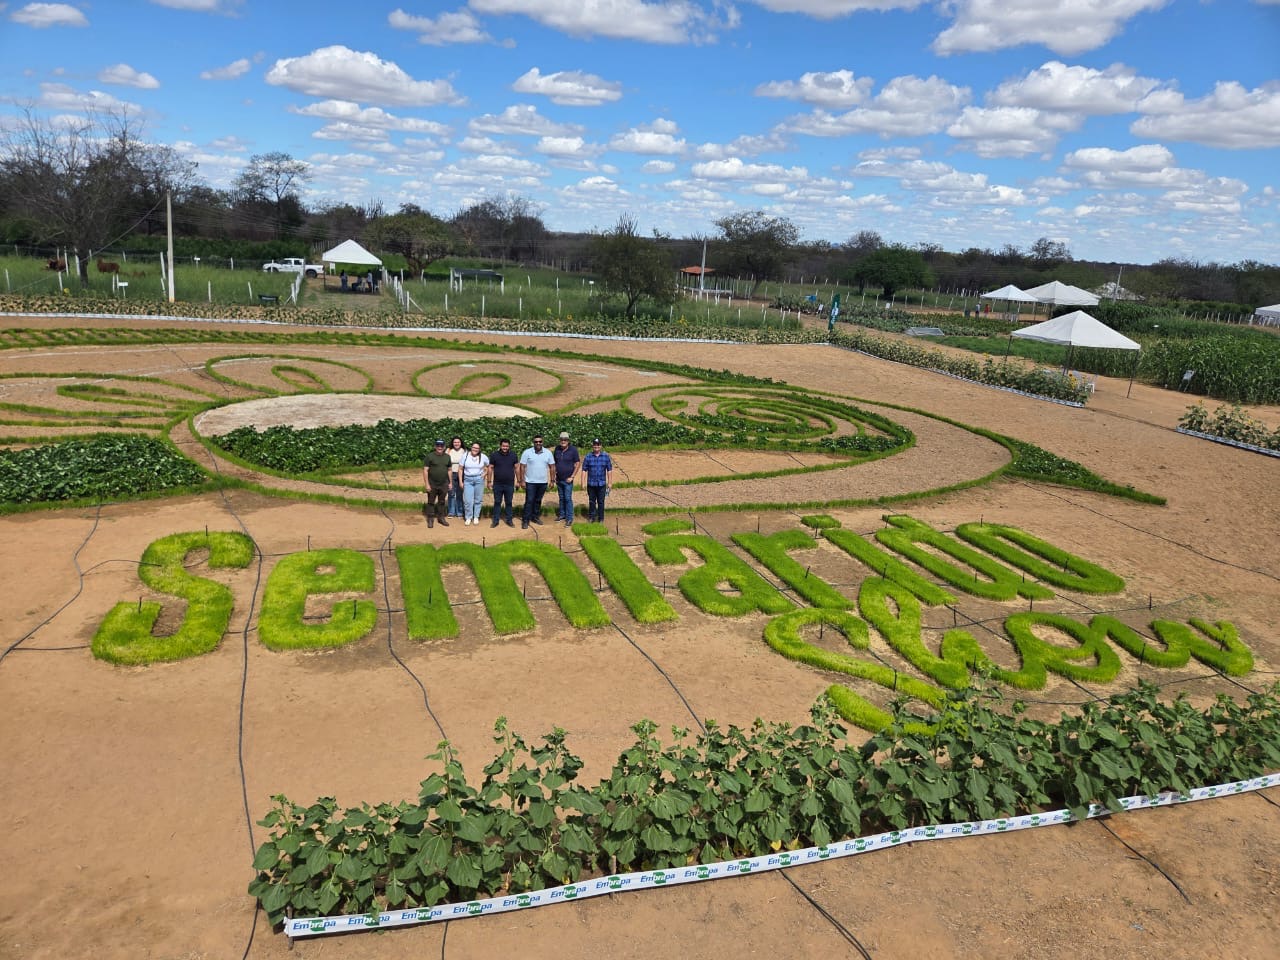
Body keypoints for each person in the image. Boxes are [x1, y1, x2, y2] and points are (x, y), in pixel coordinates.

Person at [517, 434, 556, 529]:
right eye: (536, 442)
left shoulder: (548, 453)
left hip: (542, 482)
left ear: (542, 442)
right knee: (529, 501)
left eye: (540, 441)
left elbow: (552, 467)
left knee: (538, 501)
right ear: (533, 443)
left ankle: (535, 517)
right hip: (530, 482)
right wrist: (522, 481)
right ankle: (525, 520)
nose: (538, 443)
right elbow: (522, 466)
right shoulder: (527, 452)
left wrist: (552, 480)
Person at [580, 438, 614, 523]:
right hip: (591, 484)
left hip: (601, 484)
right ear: (592, 446)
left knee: (601, 502)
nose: (596, 446)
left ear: (601, 446)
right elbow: (584, 470)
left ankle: (601, 518)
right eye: (595, 444)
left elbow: (609, 470)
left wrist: (610, 483)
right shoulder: (588, 456)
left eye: (598, 445)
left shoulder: (606, 456)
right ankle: (592, 518)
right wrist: (582, 482)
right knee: (592, 502)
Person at [421, 439, 452, 528]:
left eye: (441, 446)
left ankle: (441, 517)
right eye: (438, 445)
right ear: (435, 446)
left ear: (444, 447)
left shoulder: (447, 457)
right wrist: (427, 484)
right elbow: (425, 470)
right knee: (431, 502)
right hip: (432, 483)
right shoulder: (430, 456)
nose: (440, 447)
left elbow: (449, 470)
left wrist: (450, 483)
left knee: (442, 502)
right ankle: (430, 519)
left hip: (444, 483)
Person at [552, 430, 580, 525]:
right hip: (559, 479)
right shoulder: (557, 449)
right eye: (561, 439)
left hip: (568, 479)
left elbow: (577, 463)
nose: (563, 441)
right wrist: (555, 474)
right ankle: (562, 515)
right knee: (561, 497)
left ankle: (569, 517)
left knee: (568, 498)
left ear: (568, 441)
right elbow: (555, 463)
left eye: (565, 439)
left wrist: (572, 476)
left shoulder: (573, 450)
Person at [488, 437, 517, 527]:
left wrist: (519, 481)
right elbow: (490, 468)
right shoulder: (494, 455)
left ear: (509, 446)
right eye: (503, 446)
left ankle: (509, 520)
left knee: (509, 502)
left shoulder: (513, 455)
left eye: (507, 446)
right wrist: (489, 481)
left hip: (509, 483)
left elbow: (517, 468)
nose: (505, 448)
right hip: (498, 484)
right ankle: (495, 520)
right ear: (500, 446)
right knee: (497, 502)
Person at [460, 441, 489, 526]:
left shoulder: (483, 457)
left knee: (478, 499)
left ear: (479, 449)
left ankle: (476, 516)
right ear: (471, 448)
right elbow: (460, 469)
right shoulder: (465, 456)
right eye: (474, 447)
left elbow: (489, 466)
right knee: (468, 500)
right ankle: (468, 517)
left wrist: (485, 473)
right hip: (467, 480)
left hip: (479, 479)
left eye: (477, 448)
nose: (475, 449)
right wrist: (461, 481)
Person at [445, 436, 465, 517]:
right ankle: (451, 512)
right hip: (450, 473)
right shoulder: (448, 451)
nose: (456, 444)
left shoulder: (464, 451)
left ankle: (460, 512)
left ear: (461, 443)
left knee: (460, 493)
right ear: (452, 443)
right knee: (451, 493)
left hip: (461, 474)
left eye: (458, 442)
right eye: (455, 442)